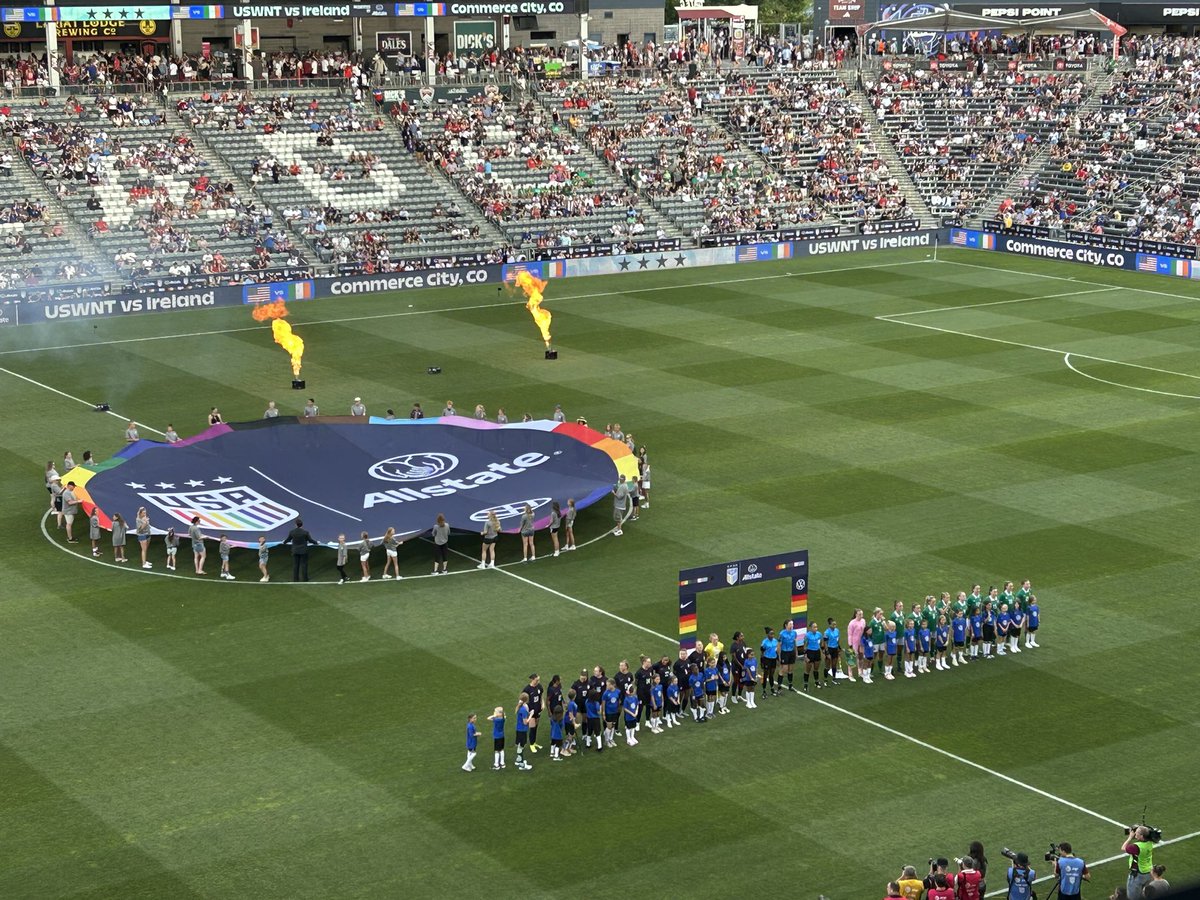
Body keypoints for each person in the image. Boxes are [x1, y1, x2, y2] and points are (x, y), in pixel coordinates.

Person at [1124, 826, 1156, 899]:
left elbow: (1123, 847)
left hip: (1138, 875)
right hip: (1148, 872)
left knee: (1133, 897)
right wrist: (1143, 829)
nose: (1135, 834)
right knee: (1146, 895)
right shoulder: (1150, 842)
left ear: (1142, 836)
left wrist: (1130, 837)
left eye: (1137, 833)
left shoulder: (1136, 847)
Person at [523, 673, 544, 754]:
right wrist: (527, 711)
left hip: (538, 710)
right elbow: (523, 700)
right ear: (532, 679)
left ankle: (534, 742)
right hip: (530, 713)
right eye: (537, 680)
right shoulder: (527, 689)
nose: (538, 681)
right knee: (532, 727)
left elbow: (541, 696)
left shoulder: (539, 686)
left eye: (538, 680)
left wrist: (542, 703)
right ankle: (531, 744)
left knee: (536, 727)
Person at [513, 692, 533, 770]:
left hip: (518, 729)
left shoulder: (520, 707)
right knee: (521, 746)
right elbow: (525, 722)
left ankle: (518, 760)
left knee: (519, 745)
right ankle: (521, 764)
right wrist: (531, 715)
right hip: (522, 730)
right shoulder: (523, 710)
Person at [778, 618, 799, 692]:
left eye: (792, 624)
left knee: (790, 670)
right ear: (786, 625)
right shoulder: (782, 634)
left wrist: (796, 652)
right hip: (784, 653)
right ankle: (779, 687)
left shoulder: (794, 633)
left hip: (791, 652)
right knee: (784, 669)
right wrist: (779, 656)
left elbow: (794, 643)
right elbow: (779, 645)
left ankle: (790, 685)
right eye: (790, 624)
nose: (792, 625)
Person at [760, 627, 780, 697]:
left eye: (773, 634)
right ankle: (764, 690)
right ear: (767, 634)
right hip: (767, 659)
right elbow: (762, 652)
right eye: (771, 634)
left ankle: (772, 689)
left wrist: (778, 659)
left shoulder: (775, 641)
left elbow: (776, 651)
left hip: (773, 659)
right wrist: (762, 662)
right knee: (765, 675)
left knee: (771, 675)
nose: (772, 635)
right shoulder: (764, 642)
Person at [487, 705, 506, 770]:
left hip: (497, 736)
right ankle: (502, 763)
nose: (494, 713)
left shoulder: (496, 719)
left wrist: (494, 716)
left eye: (495, 712)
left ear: (499, 713)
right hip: (502, 736)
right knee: (501, 749)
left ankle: (496, 765)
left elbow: (488, 718)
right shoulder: (503, 718)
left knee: (497, 751)